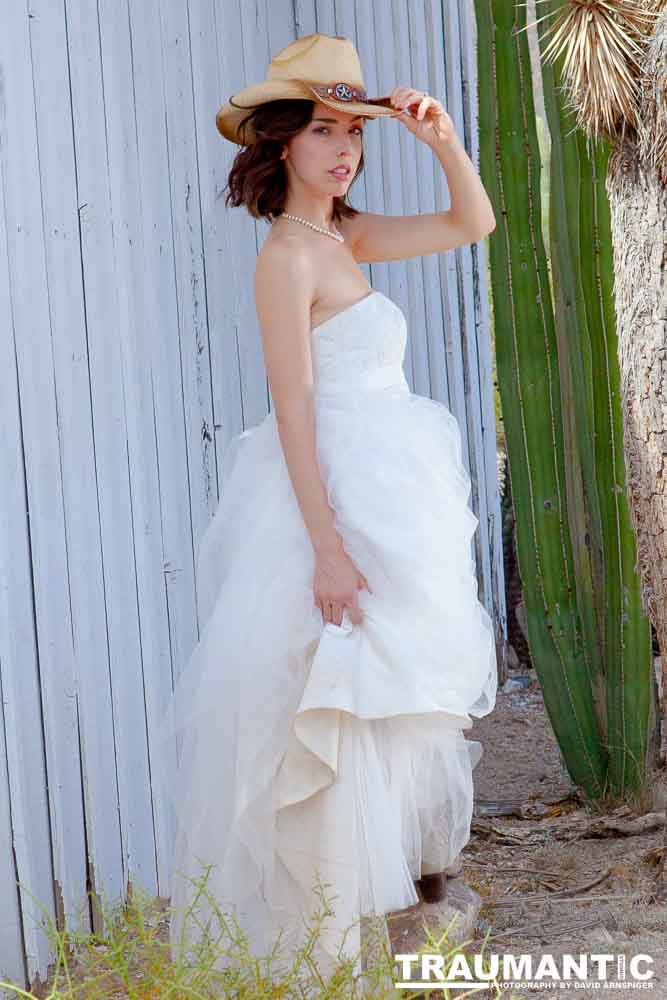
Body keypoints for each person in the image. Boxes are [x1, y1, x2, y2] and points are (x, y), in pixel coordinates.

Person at [155, 31, 498, 984]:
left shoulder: (347, 235)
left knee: (386, 705)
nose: (344, 148)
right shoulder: (286, 258)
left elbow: (471, 223)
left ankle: (389, 927)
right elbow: (293, 408)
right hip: (333, 497)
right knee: (330, 707)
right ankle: (319, 950)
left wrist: (440, 140)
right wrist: (327, 548)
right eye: (322, 130)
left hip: (388, 491)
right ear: (280, 142)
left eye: (354, 132)